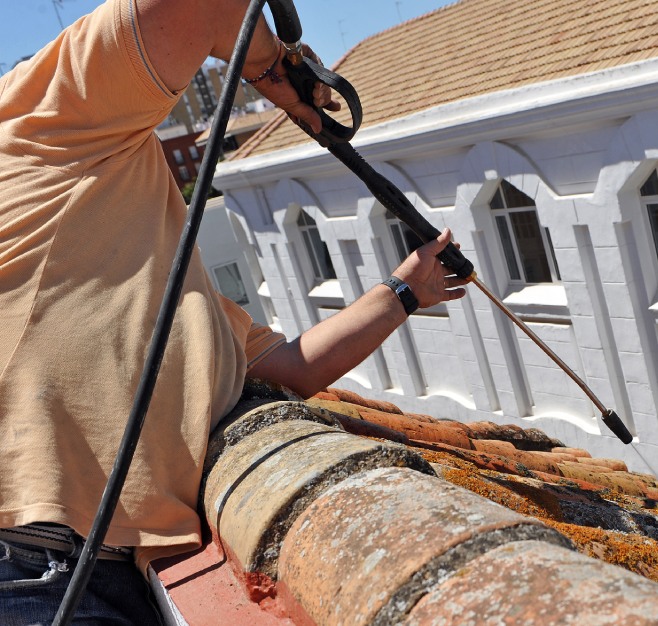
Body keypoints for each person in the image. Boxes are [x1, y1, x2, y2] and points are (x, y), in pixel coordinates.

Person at [0, 0, 467, 622]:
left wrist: (405, 293)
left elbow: (287, 369)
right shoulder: (35, 116)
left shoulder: (165, 287)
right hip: (35, 568)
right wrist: (281, 74)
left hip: (104, 574)